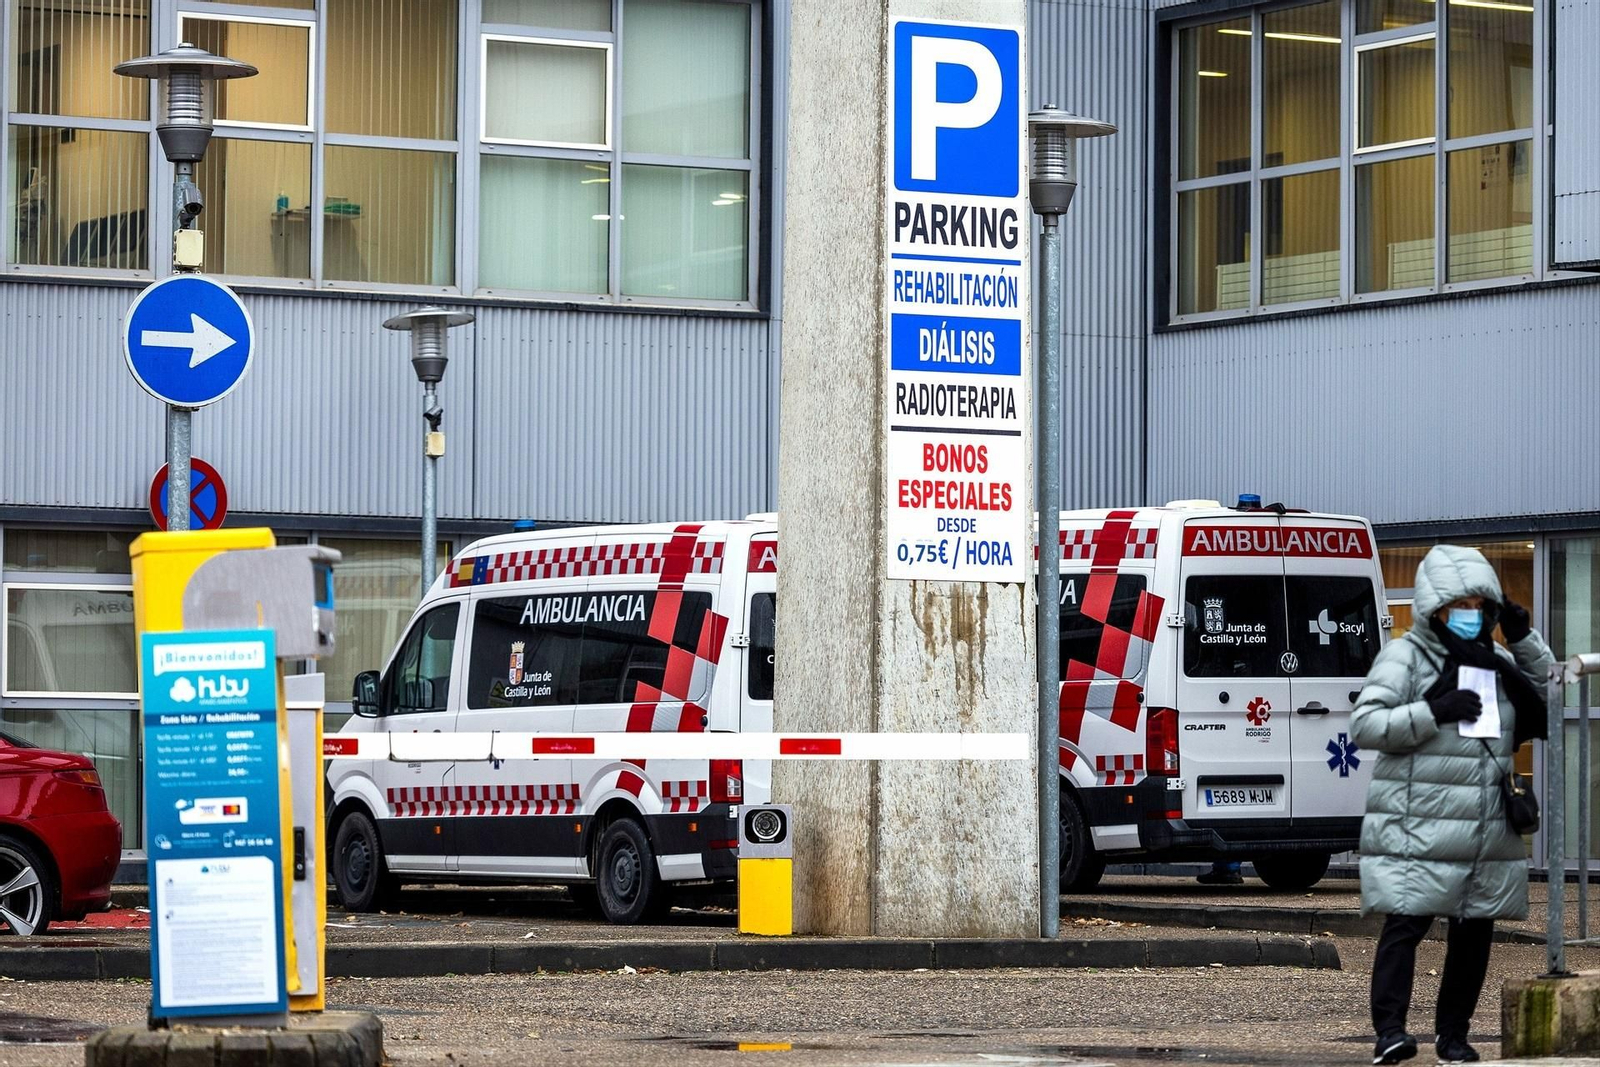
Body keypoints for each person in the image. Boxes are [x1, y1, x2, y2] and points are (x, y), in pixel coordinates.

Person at [1352, 545, 1554, 1066]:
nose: (1470, 612)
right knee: (1406, 924)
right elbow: (1366, 725)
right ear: (1434, 606)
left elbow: (1553, 696)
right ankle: (1390, 1032)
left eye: (1479, 603)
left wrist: (1524, 636)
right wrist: (1431, 710)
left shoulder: (1500, 660)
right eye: (1458, 602)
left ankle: (1454, 1037)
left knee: (1474, 934)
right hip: (1419, 819)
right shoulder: (1407, 656)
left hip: (1485, 822)